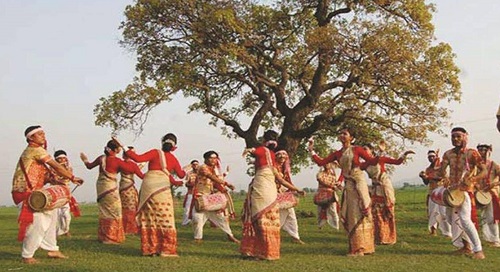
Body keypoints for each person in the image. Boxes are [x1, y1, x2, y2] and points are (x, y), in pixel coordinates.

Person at [12, 125, 83, 264]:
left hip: (36, 193)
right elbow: (55, 165)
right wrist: (72, 177)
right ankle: (27, 255)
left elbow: (44, 177)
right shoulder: (34, 150)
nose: (43, 136)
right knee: (37, 224)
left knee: (51, 220)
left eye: (44, 133)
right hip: (26, 193)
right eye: (40, 134)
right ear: (31, 138)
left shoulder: (37, 152)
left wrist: (54, 180)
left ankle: (52, 249)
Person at [308, 128, 379, 257]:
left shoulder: (357, 150)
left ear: (351, 137)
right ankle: (357, 247)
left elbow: (371, 161)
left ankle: (363, 248)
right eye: (340, 133)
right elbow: (321, 162)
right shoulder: (337, 153)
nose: (342, 135)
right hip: (349, 186)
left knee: (363, 209)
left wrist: (380, 153)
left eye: (345, 133)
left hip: (358, 181)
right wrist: (311, 150)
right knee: (351, 214)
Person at [240, 130, 304, 261]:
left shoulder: (263, 150)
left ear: (264, 140)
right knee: (268, 220)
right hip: (270, 191)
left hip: (261, 188)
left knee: (258, 220)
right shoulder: (272, 159)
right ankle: (268, 252)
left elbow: (255, 151)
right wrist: (296, 189)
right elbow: (281, 180)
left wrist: (248, 150)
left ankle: (258, 252)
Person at [123, 133, 186, 257]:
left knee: (149, 216)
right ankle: (166, 249)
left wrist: (125, 148)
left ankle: (150, 249)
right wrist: (186, 170)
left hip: (149, 186)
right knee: (165, 216)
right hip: (162, 187)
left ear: (162, 142)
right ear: (174, 145)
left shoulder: (155, 152)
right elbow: (181, 175)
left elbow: (138, 158)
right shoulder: (173, 159)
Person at [437, 127, 487, 259]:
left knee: (465, 220)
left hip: (465, 191)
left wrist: (473, 179)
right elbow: (442, 169)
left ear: (465, 137)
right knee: (450, 219)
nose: (455, 139)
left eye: (458, 136)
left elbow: (484, 171)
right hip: (452, 191)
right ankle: (466, 247)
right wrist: (444, 176)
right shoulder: (448, 154)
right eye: (453, 137)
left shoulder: (472, 153)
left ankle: (479, 251)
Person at [81, 140, 138, 244]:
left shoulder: (101, 158)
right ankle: (111, 237)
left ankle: (103, 236)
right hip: (111, 188)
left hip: (101, 187)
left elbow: (89, 166)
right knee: (114, 212)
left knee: (104, 211)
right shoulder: (117, 161)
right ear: (116, 150)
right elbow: (130, 168)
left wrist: (85, 160)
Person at [361, 143, 414, 245]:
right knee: (376, 212)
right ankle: (379, 237)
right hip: (375, 188)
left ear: (371, 150)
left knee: (387, 210)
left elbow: (397, 162)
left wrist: (405, 154)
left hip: (384, 186)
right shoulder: (364, 164)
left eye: (365, 149)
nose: (364, 151)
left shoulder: (380, 159)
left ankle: (389, 237)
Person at [191, 151, 239, 243]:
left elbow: (215, 182)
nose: (214, 160)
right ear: (205, 159)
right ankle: (198, 238)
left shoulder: (213, 169)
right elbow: (211, 177)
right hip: (200, 196)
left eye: (215, 158)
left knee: (222, 218)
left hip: (210, 198)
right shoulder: (203, 167)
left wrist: (222, 189)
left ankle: (230, 236)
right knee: (198, 218)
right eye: (211, 158)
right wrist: (226, 183)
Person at [419, 150, 451, 237]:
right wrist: (423, 177)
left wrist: (428, 176)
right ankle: (433, 231)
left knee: (443, 213)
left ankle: (447, 232)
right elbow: (426, 182)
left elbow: (441, 178)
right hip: (432, 192)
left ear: (436, 157)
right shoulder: (428, 169)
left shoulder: (441, 167)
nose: (431, 158)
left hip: (441, 191)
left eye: (433, 156)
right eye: (429, 157)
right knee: (432, 212)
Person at [275, 150, 304, 244]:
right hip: (273, 195)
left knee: (291, 215)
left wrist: (294, 191)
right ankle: (272, 234)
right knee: (278, 216)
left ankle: (295, 237)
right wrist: (297, 189)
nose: (281, 156)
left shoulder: (285, 169)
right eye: (279, 154)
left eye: (283, 154)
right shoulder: (273, 168)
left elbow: (287, 182)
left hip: (283, 195)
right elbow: (282, 182)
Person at [51, 150, 81, 237]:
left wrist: (77, 182)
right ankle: (57, 232)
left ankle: (65, 230)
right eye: (60, 159)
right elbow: (53, 179)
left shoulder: (69, 168)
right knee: (56, 215)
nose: (63, 160)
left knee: (66, 214)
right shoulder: (52, 169)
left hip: (65, 193)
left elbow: (71, 178)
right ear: (56, 160)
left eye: (64, 158)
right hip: (56, 194)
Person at [476, 144, 500, 247]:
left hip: (491, 193)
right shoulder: (477, 165)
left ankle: (495, 240)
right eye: (480, 150)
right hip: (480, 194)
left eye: (484, 150)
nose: (482, 152)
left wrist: (493, 184)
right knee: (483, 217)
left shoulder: (494, 164)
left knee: (491, 217)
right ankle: (487, 237)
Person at [119, 147, 145, 235]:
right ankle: (131, 228)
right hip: (129, 188)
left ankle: (123, 227)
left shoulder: (120, 163)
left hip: (122, 187)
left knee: (123, 208)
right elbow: (141, 176)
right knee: (131, 208)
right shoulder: (133, 165)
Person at [315, 162, 342, 230]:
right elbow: (321, 181)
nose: (326, 165)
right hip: (321, 194)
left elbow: (336, 183)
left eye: (328, 164)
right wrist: (332, 186)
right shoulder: (320, 174)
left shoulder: (333, 175)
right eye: (325, 164)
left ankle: (336, 226)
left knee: (333, 210)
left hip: (331, 194)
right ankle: (319, 225)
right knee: (320, 210)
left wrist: (337, 186)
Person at [182, 160, 199, 226]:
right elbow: (186, 183)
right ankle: (186, 222)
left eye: (197, 164)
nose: (195, 166)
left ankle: (198, 222)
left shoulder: (201, 173)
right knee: (188, 208)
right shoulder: (189, 173)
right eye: (194, 164)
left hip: (199, 193)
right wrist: (190, 184)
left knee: (200, 208)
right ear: (192, 166)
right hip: (191, 193)